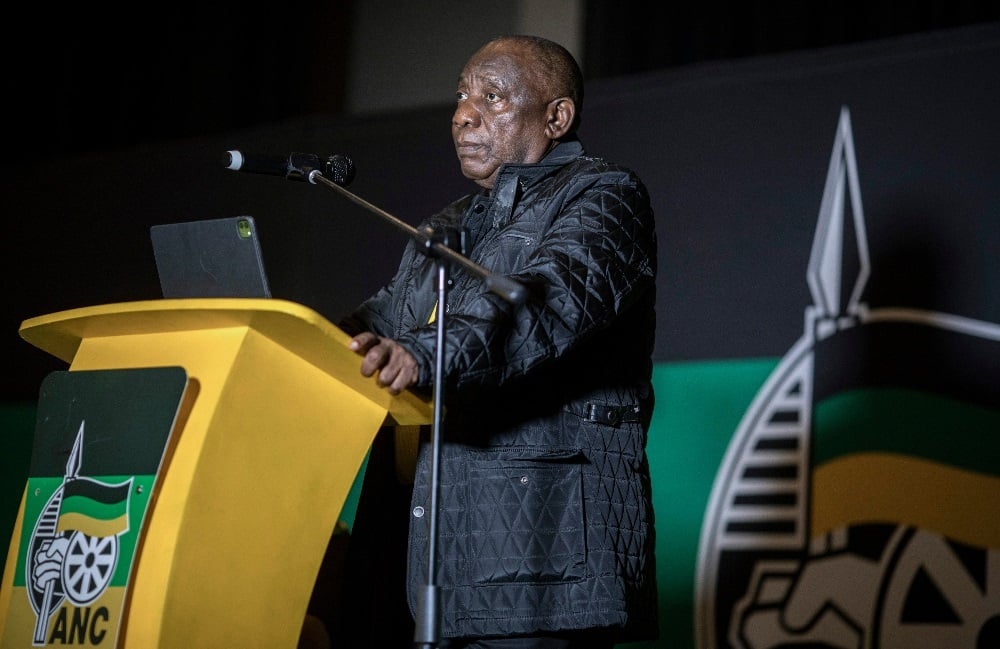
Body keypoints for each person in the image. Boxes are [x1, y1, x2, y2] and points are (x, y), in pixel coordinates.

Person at [336, 34, 658, 649]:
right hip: (433, 560)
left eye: (492, 96)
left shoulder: (606, 196)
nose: (463, 113)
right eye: (462, 95)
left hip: (541, 563)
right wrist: (306, 340)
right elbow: (381, 318)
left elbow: (541, 304)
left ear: (556, 117)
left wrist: (423, 354)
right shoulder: (448, 226)